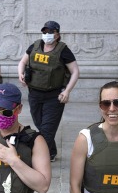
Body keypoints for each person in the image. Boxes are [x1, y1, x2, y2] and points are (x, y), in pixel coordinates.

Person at [18, 20, 80, 162]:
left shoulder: (63, 50)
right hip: (34, 94)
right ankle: (51, 151)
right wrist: (21, 73)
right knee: (40, 124)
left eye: (51, 32)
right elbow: (22, 62)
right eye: (45, 32)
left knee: (47, 129)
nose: (47, 34)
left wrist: (67, 91)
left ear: (57, 34)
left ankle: (40, 157)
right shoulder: (34, 46)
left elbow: (75, 71)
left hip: (54, 96)